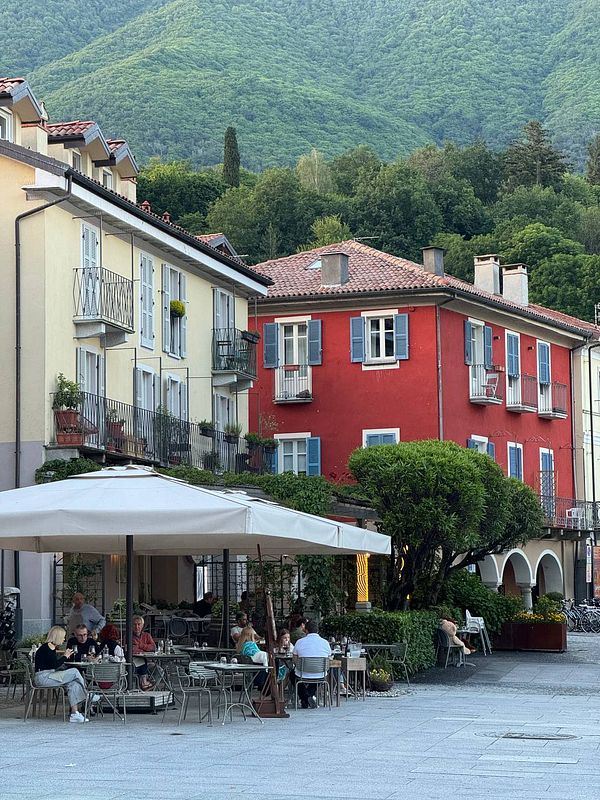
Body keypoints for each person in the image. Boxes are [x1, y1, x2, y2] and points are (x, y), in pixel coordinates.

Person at [34, 625, 90, 723]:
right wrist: (65, 656)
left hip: (49, 675)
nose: (64, 639)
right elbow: (54, 665)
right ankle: (88, 695)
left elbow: (51, 665)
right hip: (43, 677)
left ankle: (74, 713)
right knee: (74, 671)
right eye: (63, 637)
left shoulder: (50, 647)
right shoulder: (48, 648)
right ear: (58, 636)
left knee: (73, 683)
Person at [292, 619, 332, 709]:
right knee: (318, 676)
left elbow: (294, 660)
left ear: (306, 630)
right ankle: (309, 696)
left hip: (302, 673)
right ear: (318, 630)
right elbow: (329, 658)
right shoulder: (325, 643)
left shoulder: (300, 642)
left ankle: (305, 698)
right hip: (320, 673)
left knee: (292, 675)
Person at [132, 615, 156, 690]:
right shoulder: (128, 636)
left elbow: (153, 647)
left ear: (142, 626)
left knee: (160, 670)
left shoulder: (147, 635)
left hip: (149, 661)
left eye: (139, 624)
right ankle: (144, 683)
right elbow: (133, 650)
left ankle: (150, 687)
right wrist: (145, 649)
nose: (137, 627)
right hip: (134, 662)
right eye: (134, 624)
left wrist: (140, 645)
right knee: (141, 660)